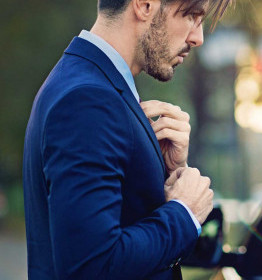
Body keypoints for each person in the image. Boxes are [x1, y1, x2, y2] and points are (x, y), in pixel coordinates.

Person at [22, 0, 231, 279]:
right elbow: (92, 267)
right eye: (192, 16)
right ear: (145, 5)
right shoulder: (88, 99)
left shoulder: (94, 86)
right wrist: (183, 213)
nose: (198, 38)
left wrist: (171, 175)